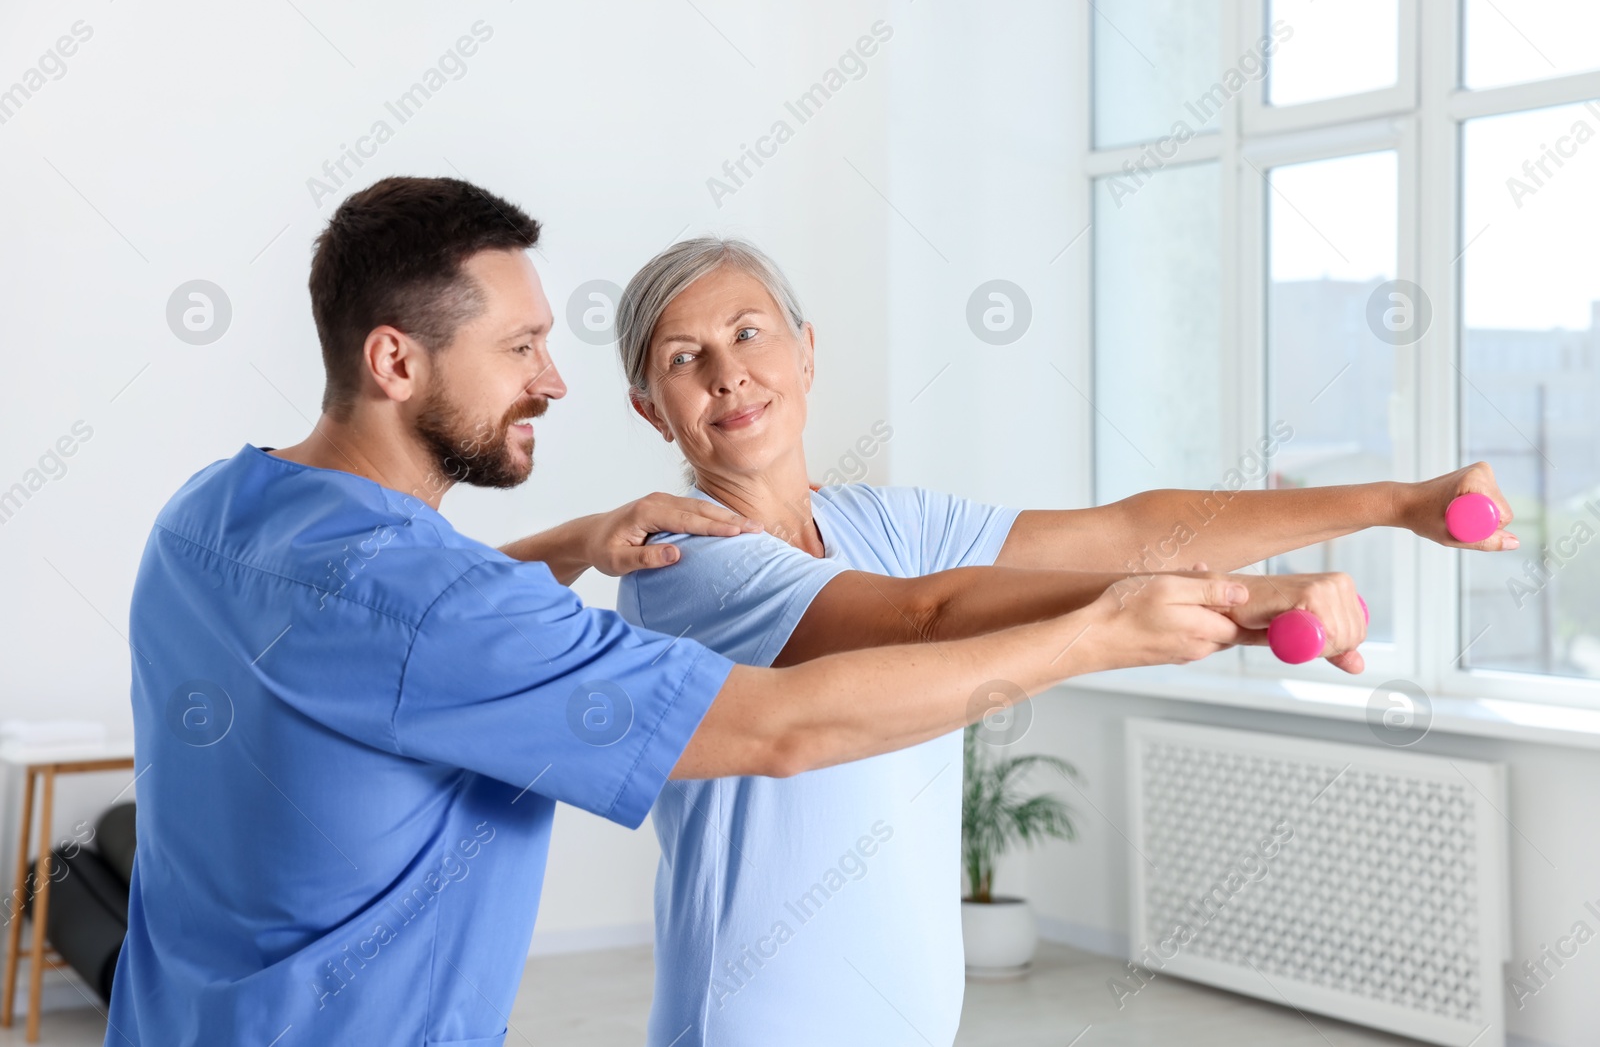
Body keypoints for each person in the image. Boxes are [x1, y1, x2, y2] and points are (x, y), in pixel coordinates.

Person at [105, 178, 1276, 1047]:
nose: (550, 381)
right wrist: (1096, 635)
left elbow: (369, 634)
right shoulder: (450, 607)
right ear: (397, 362)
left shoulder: (211, 516)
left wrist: (562, 543)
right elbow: (780, 728)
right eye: (519, 347)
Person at [612, 236, 1514, 1047]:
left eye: (749, 333)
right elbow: (927, 615)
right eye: (685, 358)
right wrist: (1234, 599)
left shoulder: (884, 522)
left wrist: (1397, 504)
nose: (728, 373)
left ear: (806, 352)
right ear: (654, 410)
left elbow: (1130, 533)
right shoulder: (684, 565)